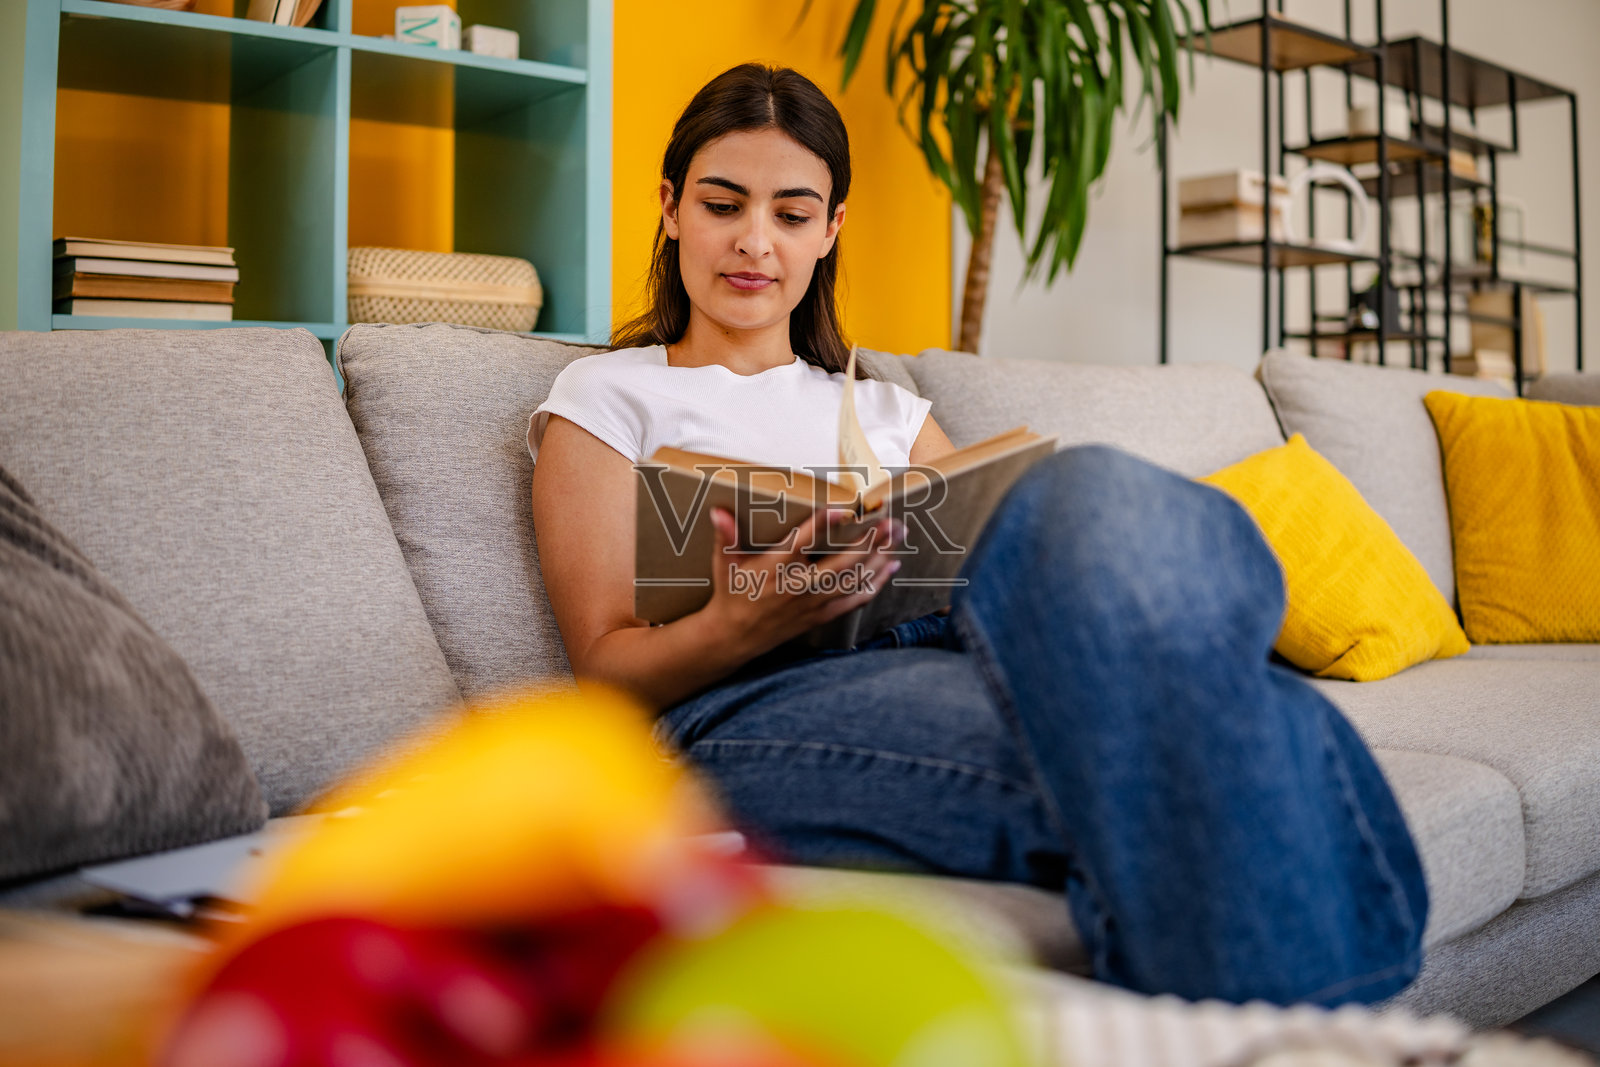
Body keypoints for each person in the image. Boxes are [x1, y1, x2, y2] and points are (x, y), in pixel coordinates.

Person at [528, 63, 1428, 1007]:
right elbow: (603, 670)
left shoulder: (888, 408)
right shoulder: (609, 394)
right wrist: (740, 622)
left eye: (792, 215)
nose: (755, 241)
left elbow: (981, 557)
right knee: (1180, 732)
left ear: (831, 230)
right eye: (723, 205)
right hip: (743, 699)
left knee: (1087, 491)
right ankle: (1319, 1014)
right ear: (672, 208)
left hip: (958, 645)